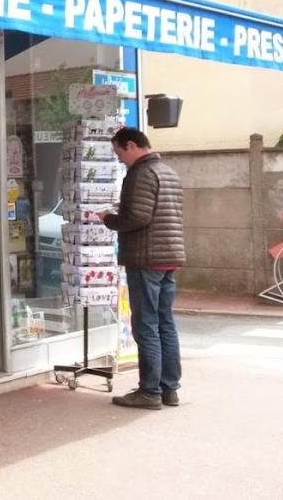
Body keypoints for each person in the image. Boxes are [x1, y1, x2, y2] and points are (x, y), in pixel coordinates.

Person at [97, 127, 185, 410]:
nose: (119, 158)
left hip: (146, 258)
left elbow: (137, 217)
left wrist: (109, 218)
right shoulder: (168, 172)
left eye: (119, 152)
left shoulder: (141, 174)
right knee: (165, 323)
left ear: (131, 145)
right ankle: (169, 388)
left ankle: (149, 391)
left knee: (145, 325)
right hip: (168, 255)